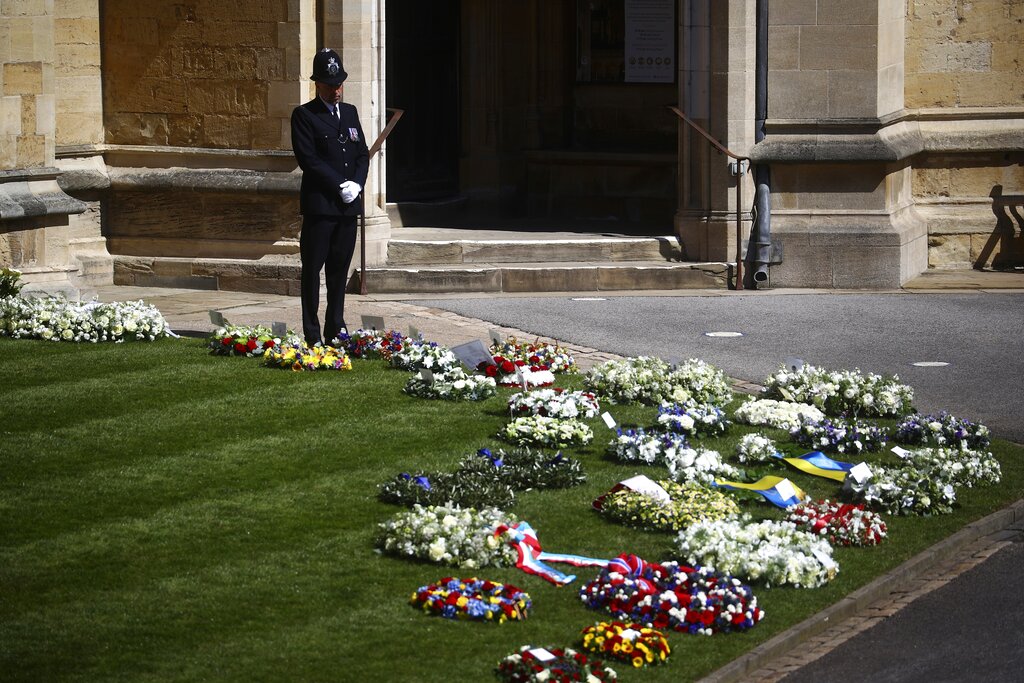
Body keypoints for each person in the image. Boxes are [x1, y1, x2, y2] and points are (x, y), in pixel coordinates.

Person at [290, 48, 369, 346]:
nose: (336, 90)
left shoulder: (349, 113)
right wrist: (339, 184)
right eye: (330, 85)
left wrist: (357, 185)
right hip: (321, 208)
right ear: (317, 85)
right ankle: (312, 332)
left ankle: (335, 327)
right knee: (313, 272)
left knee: (339, 271)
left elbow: (361, 154)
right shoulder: (304, 115)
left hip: (348, 209)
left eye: (339, 84)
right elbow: (308, 159)